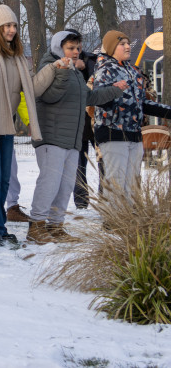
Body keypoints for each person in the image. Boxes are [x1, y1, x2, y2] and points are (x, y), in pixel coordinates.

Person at [0, 5, 59, 246]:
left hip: (5, 119)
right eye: (7, 25)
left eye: (14, 25)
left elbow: (31, 89)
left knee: (4, 176)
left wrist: (53, 68)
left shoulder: (16, 57)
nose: (12, 30)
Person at [28, 30, 126, 244]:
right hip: (51, 136)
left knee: (65, 184)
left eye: (77, 48)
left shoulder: (73, 71)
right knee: (50, 182)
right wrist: (63, 71)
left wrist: (114, 90)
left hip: (72, 137)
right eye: (70, 48)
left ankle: (55, 226)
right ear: (58, 48)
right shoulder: (49, 66)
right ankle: (36, 226)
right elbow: (50, 96)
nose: (75, 52)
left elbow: (87, 97)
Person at [91, 30, 171, 203]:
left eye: (128, 43)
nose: (128, 47)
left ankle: (130, 222)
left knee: (133, 183)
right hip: (113, 133)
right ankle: (113, 221)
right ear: (112, 47)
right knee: (116, 182)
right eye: (122, 44)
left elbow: (141, 103)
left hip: (134, 134)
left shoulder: (133, 71)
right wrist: (113, 91)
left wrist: (167, 111)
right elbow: (98, 99)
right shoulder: (105, 70)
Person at [73, 49, 104, 209]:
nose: (75, 49)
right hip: (76, 119)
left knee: (102, 160)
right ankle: (80, 201)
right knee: (78, 164)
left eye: (77, 44)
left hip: (94, 119)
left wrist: (84, 68)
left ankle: (104, 197)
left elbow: (97, 82)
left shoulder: (92, 61)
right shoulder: (59, 62)